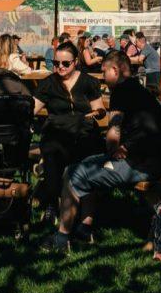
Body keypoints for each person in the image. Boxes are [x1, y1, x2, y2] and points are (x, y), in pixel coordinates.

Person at [40, 51, 161, 252]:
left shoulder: (119, 92)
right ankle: (83, 229)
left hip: (139, 165)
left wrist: (113, 150)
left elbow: (113, 135)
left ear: (115, 70)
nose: (102, 75)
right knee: (88, 164)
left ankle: (62, 237)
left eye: (104, 71)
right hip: (158, 159)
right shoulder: (140, 90)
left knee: (73, 173)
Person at [32, 42, 106, 212]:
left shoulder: (88, 82)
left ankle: (84, 207)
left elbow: (100, 109)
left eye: (66, 63)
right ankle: (52, 201)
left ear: (76, 62)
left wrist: (96, 113)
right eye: (56, 63)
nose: (60, 67)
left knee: (89, 154)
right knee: (52, 152)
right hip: (57, 131)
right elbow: (32, 109)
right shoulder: (48, 83)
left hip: (84, 131)